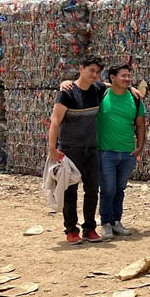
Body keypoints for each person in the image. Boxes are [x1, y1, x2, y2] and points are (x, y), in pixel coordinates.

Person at [47, 55, 106, 244]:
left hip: (91, 148)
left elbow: (116, 86)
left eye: (97, 72)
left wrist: (132, 89)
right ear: (81, 69)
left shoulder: (97, 89)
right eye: (91, 71)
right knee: (69, 191)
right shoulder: (67, 92)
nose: (94, 75)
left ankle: (89, 228)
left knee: (92, 189)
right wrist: (52, 148)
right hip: (70, 149)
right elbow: (55, 121)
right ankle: (71, 230)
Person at [97, 64, 146, 239]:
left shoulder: (135, 98)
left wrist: (140, 146)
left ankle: (116, 221)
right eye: (123, 76)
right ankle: (106, 223)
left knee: (120, 189)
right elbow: (85, 83)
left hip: (127, 152)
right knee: (108, 189)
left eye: (129, 76)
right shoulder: (101, 94)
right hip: (106, 151)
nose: (127, 79)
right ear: (112, 77)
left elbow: (140, 124)